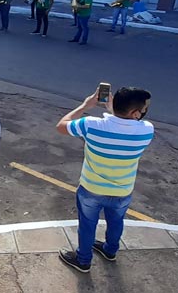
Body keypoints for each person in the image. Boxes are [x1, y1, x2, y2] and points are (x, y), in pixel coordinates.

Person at [55, 86, 154, 273]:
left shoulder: (91, 125)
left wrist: (86, 105)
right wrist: (114, 113)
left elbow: (61, 126)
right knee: (117, 221)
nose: (144, 113)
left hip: (91, 189)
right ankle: (110, 251)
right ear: (134, 114)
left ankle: (83, 261)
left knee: (87, 225)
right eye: (143, 110)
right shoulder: (146, 130)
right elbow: (123, 125)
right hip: (123, 190)